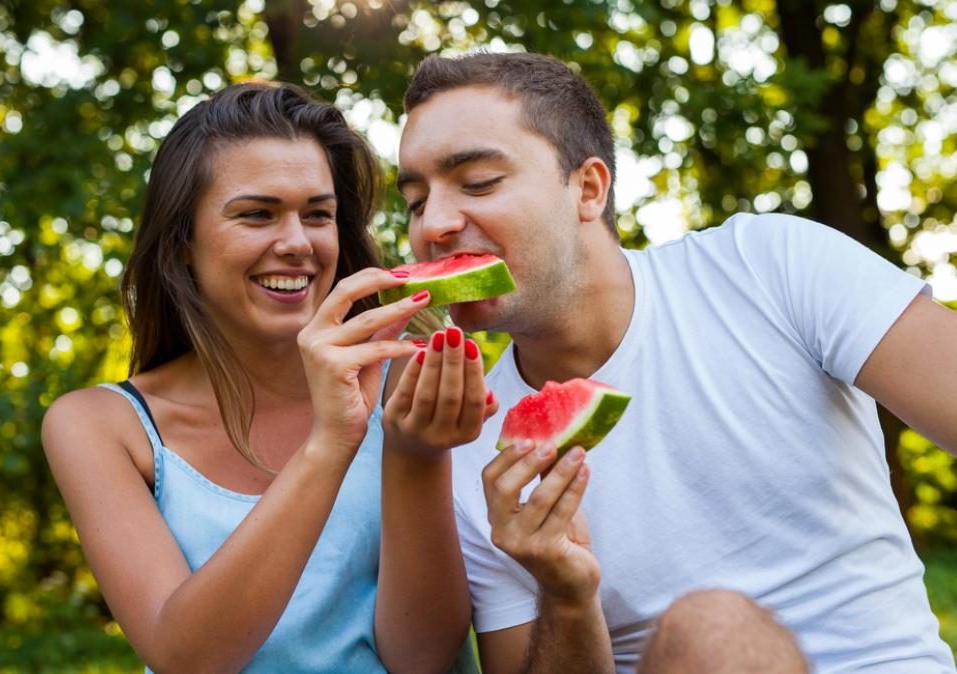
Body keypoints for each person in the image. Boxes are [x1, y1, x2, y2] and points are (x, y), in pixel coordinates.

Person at [396, 52, 957, 673]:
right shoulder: (471, 449)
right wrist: (567, 594)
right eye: (416, 202)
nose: (435, 226)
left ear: (587, 189)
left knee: (711, 628)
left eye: (477, 183)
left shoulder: (770, 267)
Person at [42, 81, 488, 673]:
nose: (298, 243)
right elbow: (186, 657)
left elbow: (423, 657)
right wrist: (331, 442)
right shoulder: (100, 425)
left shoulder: (412, 378)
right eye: (257, 214)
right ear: (181, 245)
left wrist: (416, 453)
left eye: (318, 215)